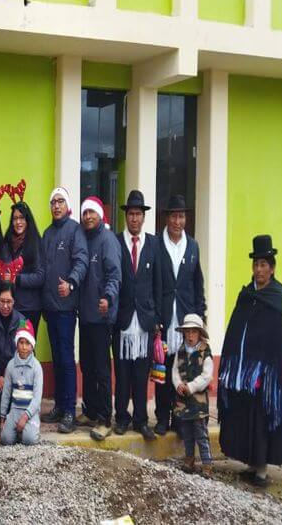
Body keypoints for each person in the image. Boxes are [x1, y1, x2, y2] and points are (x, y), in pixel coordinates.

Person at [218, 235, 282, 487]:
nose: (259, 270)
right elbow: (236, 332)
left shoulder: (279, 298)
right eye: (256, 265)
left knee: (262, 420)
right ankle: (252, 464)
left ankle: (262, 472)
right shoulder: (247, 296)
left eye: (264, 264)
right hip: (245, 374)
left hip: (267, 374)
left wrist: (267, 371)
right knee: (246, 417)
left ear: (272, 268)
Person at [155, 195, 206, 435]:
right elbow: (153, 284)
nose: (178, 221)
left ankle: (178, 417)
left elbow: (198, 285)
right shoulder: (157, 245)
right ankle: (162, 417)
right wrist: (155, 318)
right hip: (164, 320)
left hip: (186, 320)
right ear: (167, 218)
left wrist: (200, 317)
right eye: (174, 216)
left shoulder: (193, 246)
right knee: (163, 369)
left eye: (182, 216)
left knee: (183, 370)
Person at [114, 190, 162, 441]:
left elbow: (159, 283)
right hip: (122, 319)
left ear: (144, 217)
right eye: (131, 214)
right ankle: (121, 417)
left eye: (138, 214)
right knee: (122, 372)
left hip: (145, 321)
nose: (134, 219)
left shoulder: (154, 244)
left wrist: (157, 318)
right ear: (126, 216)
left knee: (141, 375)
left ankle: (141, 420)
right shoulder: (116, 242)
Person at [39, 187, 88, 433]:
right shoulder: (47, 234)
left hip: (67, 308)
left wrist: (71, 283)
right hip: (50, 308)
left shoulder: (75, 230)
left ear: (67, 205)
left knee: (67, 360)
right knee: (57, 358)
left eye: (60, 201)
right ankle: (59, 405)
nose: (56, 205)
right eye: (53, 202)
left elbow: (81, 261)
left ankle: (70, 411)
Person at [76, 197, 122, 442]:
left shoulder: (108, 241)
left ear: (100, 214)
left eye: (91, 213)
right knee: (87, 365)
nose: (88, 217)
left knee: (102, 370)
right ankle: (91, 410)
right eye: (85, 214)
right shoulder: (85, 239)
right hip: (85, 315)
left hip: (102, 317)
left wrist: (107, 296)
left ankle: (105, 418)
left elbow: (115, 274)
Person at [171, 314, 213, 478]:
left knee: (200, 432)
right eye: (187, 332)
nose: (190, 336)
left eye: (193, 332)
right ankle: (189, 459)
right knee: (186, 431)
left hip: (198, 401)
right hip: (183, 400)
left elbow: (206, 376)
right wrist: (178, 384)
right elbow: (175, 371)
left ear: (200, 334)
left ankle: (207, 464)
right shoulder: (180, 351)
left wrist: (191, 386)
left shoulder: (204, 352)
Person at [0, 262, 26, 423]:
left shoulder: (21, 321)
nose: (5, 306)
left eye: (9, 301)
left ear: (14, 301)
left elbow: (28, 352)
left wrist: (13, 375)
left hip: (16, 375)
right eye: (2, 301)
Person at [4, 189, 43, 335]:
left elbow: (40, 276)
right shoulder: (7, 242)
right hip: (12, 306)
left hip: (30, 307)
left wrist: (17, 279)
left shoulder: (35, 243)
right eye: (15, 218)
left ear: (27, 220)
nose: (18, 222)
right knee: (13, 346)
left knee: (27, 345)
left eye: (21, 218)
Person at [0, 320, 42, 446]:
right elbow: (6, 394)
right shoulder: (11, 365)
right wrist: (2, 418)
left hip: (30, 411)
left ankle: (32, 427)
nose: (24, 346)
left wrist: (25, 417)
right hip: (15, 409)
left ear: (32, 345)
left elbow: (37, 398)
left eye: (27, 343)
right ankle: (17, 430)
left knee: (29, 440)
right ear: (17, 344)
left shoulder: (37, 367)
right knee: (5, 439)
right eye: (21, 342)